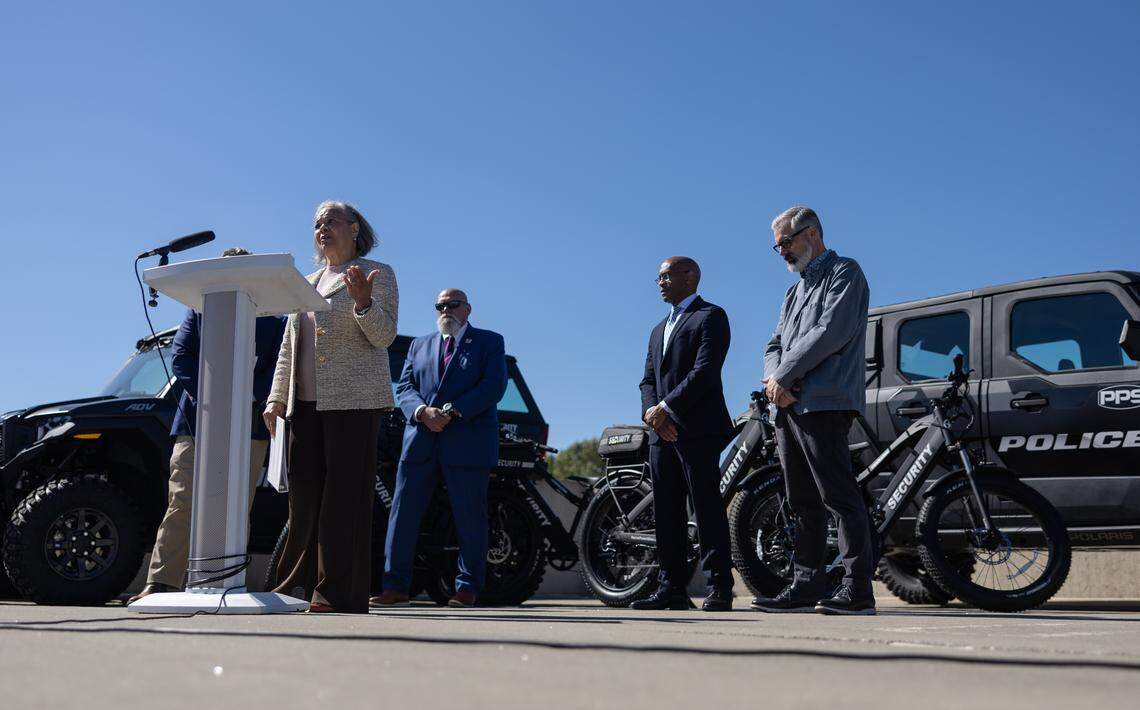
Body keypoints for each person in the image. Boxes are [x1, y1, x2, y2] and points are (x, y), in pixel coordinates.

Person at [128, 247, 286, 603]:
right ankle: (161, 583)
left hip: (250, 428)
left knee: (235, 507)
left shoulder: (276, 321)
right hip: (197, 423)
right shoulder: (199, 311)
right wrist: (216, 401)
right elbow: (183, 358)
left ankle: (224, 584)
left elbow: (277, 371)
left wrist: (245, 401)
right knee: (182, 501)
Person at [263, 201, 398, 614]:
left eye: (332, 221)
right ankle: (291, 591)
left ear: (355, 229)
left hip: (354, 403)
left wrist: (362, 302)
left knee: (345, 500)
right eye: (318, 223)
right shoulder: (307, 282)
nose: (323, 228)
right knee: (302, 501)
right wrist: (276, 398)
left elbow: (385, 336)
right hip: (304, 407)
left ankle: (337, 593)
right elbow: (289, 346)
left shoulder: (379, 274)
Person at [753, 206, 874, 615]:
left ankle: (858, 590)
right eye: (777, 246)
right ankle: (806, 585)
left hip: (825, 403)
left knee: (838, 496)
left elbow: (830, 331)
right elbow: (773, 344)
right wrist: (775, 382)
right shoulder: (793, 292)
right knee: (801, 500)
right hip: (787, 407)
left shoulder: (845, 273)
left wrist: (784, 376)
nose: (782, 252)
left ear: (812, 235)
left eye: (786, 242)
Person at [371, 288, 507, 609]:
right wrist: (422, 412)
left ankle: (467, 588)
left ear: (468, 309)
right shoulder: (419, 345)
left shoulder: (489, 342)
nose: (445, 309)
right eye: (439, 305)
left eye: (452, 304)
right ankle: (395, 587)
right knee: (402, 515)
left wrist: (453, 411)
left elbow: (493, 386)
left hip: (466, 442)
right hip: (420, 441)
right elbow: (404, 387)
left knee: (469, 518)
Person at [631, 257, 735, 612]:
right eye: (658, 276)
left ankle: (719, 587)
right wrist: (652, 413)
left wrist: (667, 409)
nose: (659, 282)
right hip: (661, 434)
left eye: (665, 275)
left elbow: (705, 372)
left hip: (698, 430)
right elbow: (648, 380)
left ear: (690, 276)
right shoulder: (658, 329)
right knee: (667, 512)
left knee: (706, 508)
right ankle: (671, 587)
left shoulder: (711, 316)